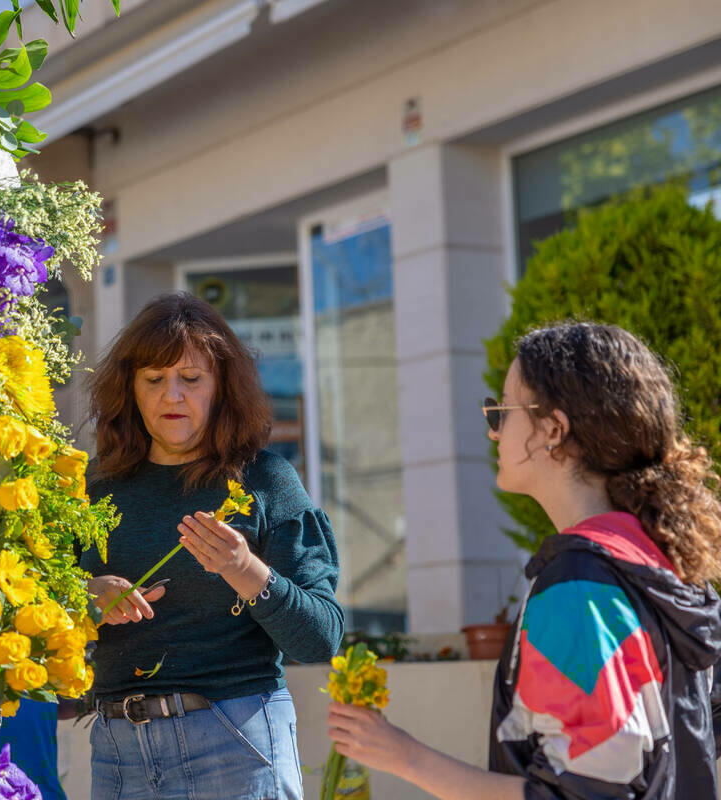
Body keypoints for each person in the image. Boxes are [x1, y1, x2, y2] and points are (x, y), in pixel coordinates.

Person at [327, 322, 721, 799]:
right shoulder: (667, 565)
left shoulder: (579, 587)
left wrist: (402, 755)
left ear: (553, 430)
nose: (494, 432)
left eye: (503, 411)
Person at [80, 292, 344, 800]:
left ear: (222, 388)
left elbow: (320, 639)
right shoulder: (94, 487)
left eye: (191, 379)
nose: (172, 396)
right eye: (154, 380)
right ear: (130, 390)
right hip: (116, 750)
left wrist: (245, 569)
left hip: (234, 743)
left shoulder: (267, 480)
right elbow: (36, 603)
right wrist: (84, 598)